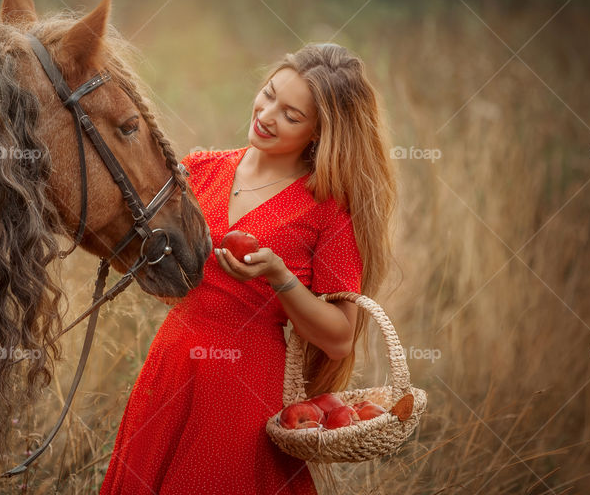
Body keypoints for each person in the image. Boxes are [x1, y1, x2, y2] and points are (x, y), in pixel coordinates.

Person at [99, 43, 397, 494]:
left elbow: (339, 338)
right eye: (269, 94)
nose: (267, 115)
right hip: (170, 366)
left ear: (320, 133)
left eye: (292, 116)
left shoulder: (327, 208)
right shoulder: (198, 171)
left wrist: (280, 277)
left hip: (244, 384)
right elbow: (165, 283)